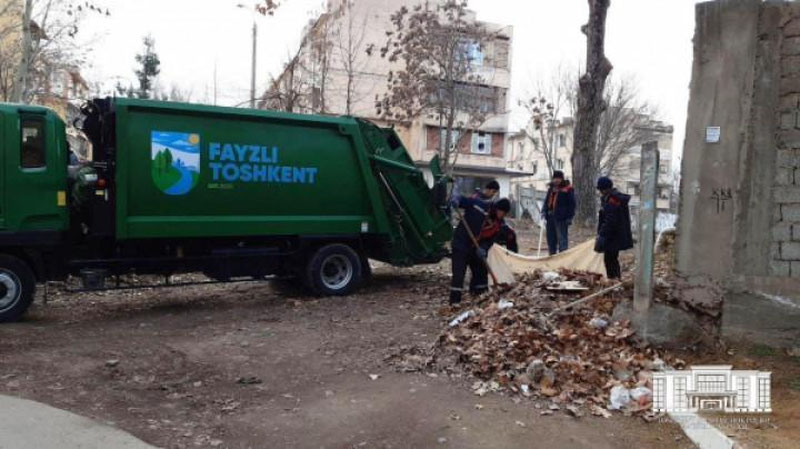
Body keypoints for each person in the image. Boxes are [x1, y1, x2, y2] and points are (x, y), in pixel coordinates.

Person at [450, 197, 513, 304]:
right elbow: (463, 201)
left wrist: (483, 248)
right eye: (501, 212)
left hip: (476, 248)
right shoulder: (478, 205)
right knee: (459, 275)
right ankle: (454, 303)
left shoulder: (498, 224)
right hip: (461, 243)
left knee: (481, 272)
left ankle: (480, 299)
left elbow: (490, 240)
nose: (502, 215)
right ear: (496, 208)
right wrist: (457, 201)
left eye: (504, 213)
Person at [594, 176, 634, 279]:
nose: (600, 192)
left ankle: (614, 281)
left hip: (613, 236)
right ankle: (614, 280)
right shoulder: (610, 198)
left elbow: (610, 220)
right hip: (614, 235)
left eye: (601, 189)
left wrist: (602, 235)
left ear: (605, 189)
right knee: (611, 259)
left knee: (610, 260)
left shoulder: (613, 199)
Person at [541, 170, 576, 255]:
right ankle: (552, 256)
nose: (556, 180)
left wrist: (569, 218)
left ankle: (562, 259)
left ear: (562, 179)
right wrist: (544, 212)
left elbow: (572, 205)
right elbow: (546, 202)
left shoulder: (567, 189)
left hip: (561, 219)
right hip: (550, 218)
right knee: (551, 240)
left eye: (558, 178)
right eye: (555, 178)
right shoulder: (551, 189)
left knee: (562, 241)